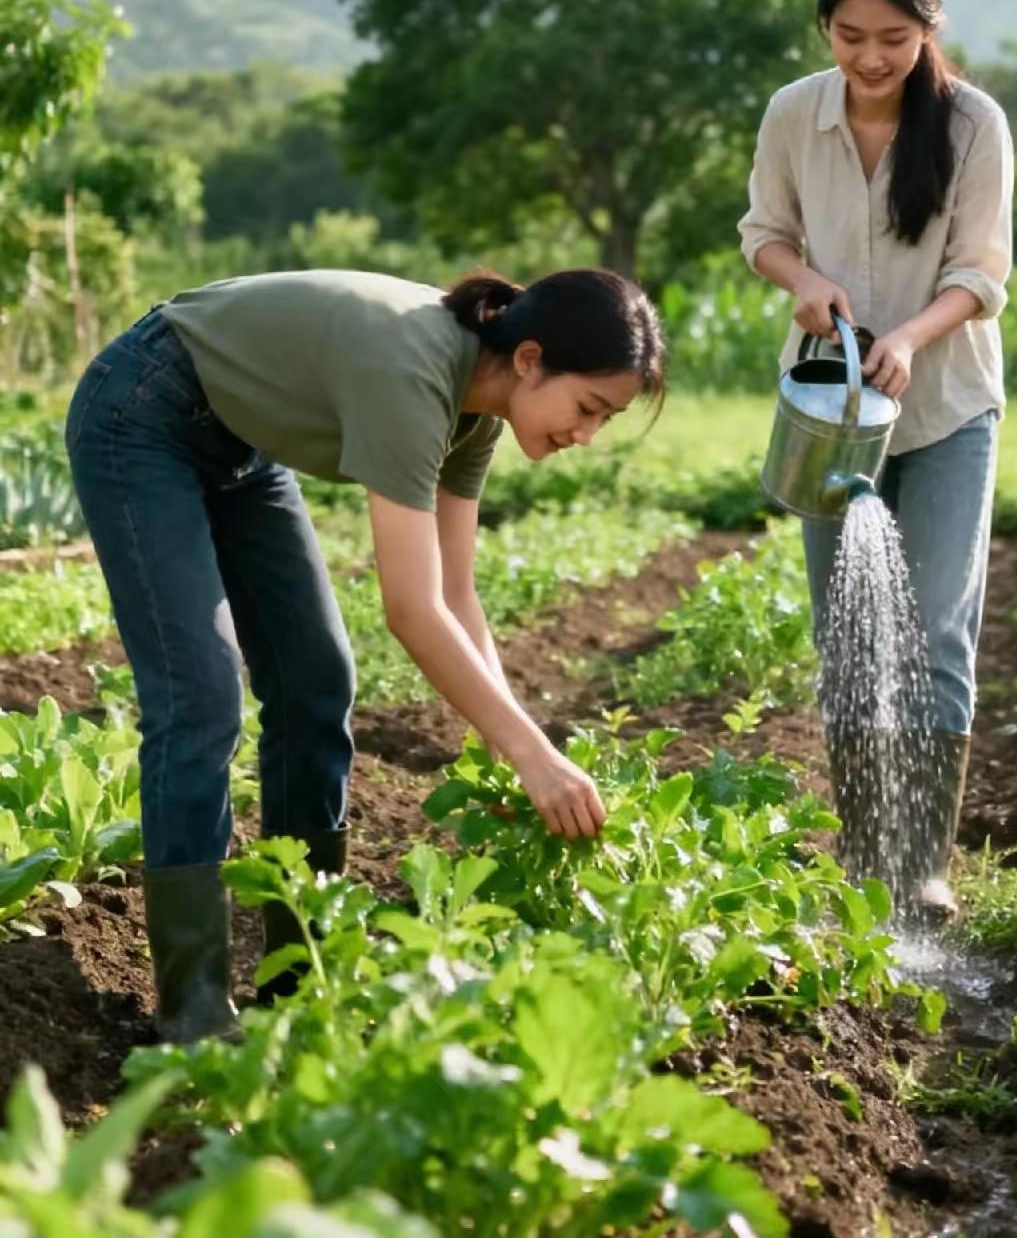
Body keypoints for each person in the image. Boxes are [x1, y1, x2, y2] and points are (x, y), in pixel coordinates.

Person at [66, 266, 665, 1041]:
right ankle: (195, 1013)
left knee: (318, 681)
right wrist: (534, 757)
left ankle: (298, 978)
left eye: (604, 421)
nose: (585, 435)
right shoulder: (413, 371)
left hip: (243, 445)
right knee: (201, 695)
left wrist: (506, 747)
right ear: (529, 360)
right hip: (144, 407)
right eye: (587, 407)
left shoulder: (475, 416)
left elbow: (457, 596)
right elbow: (411, 609)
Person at [738, 0, 1013, 918]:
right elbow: (762, 232)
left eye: (892, 37)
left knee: (934, 628)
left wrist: (908, 335)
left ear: (928, 28)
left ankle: (922, 865)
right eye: (849, 35)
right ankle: (867, 859)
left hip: (943, 410)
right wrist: (803, 280)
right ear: (825, 27)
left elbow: (980, 275)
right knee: (849, 635)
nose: (869, 56)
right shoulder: (791, 115)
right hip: (831, 414)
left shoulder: (971, 123)